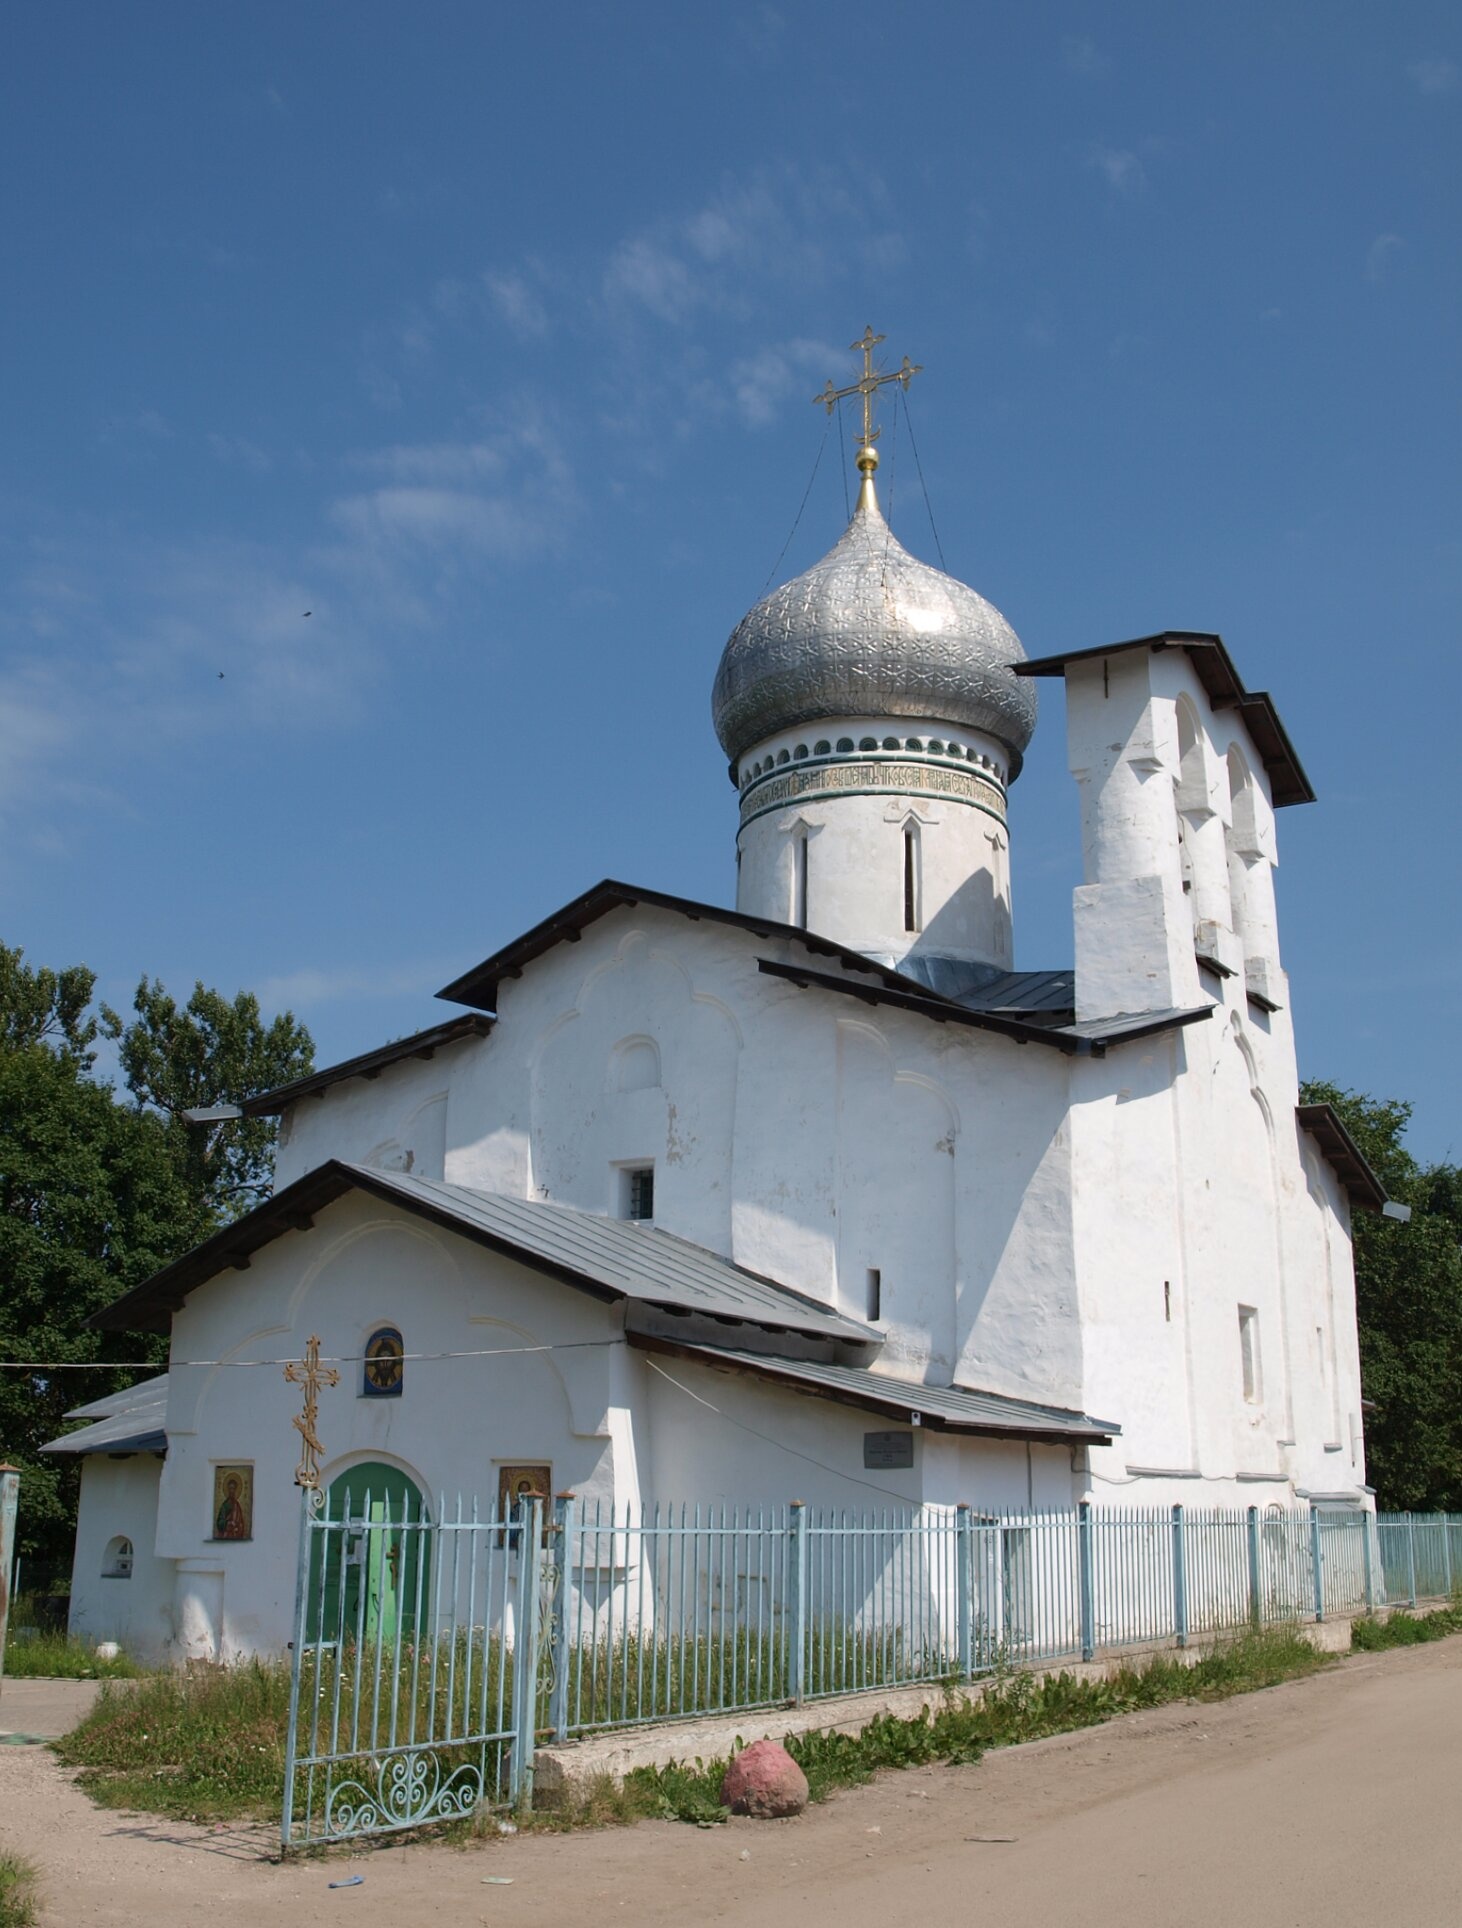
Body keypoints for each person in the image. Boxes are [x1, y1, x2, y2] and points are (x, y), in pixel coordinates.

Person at [215, 1474, 249, 1539]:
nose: (231, 1491)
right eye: (230, 1488)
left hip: (236, 1534)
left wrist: (238, 1527)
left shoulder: (237, 1505)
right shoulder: (224, 1505)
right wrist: (228, 1523)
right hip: (226, 1535)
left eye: (233, 1488)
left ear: (235, 1490)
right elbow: (219, 1523)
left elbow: (241, 1523)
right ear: (228, 1489)